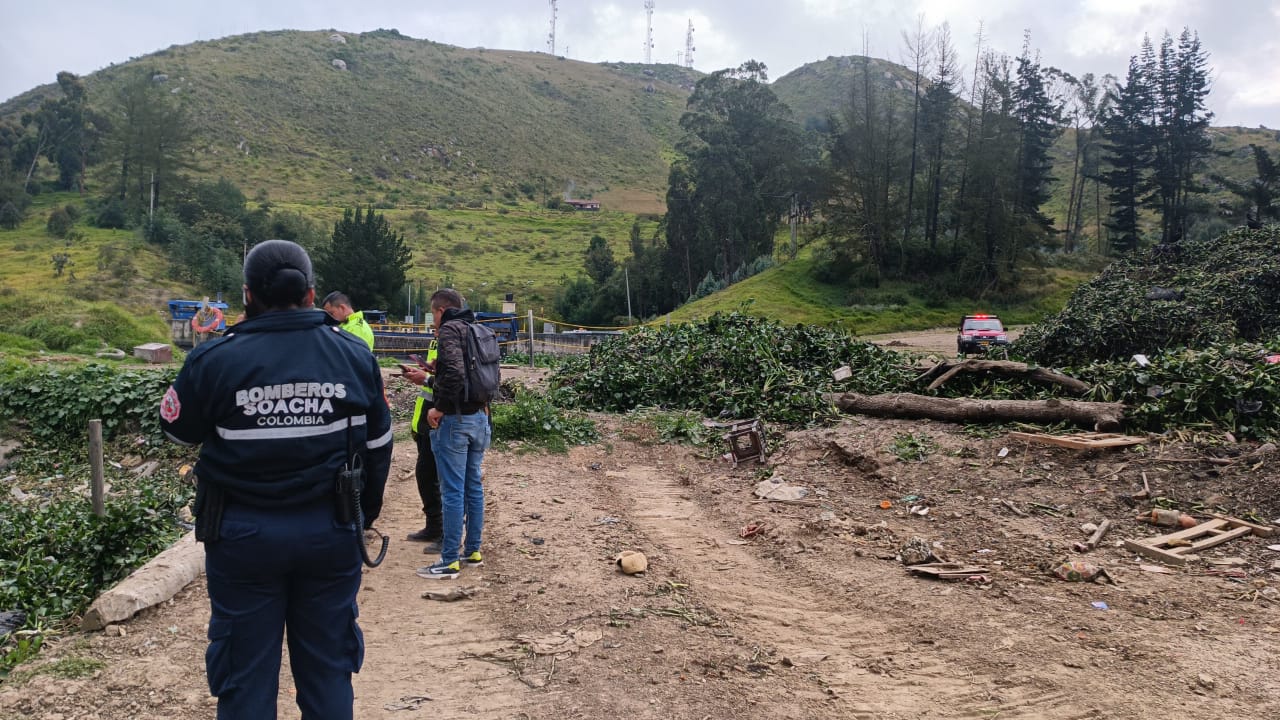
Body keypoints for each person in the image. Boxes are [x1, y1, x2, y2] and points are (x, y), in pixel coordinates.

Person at [159, 239, 392, 719]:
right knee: (329, 671)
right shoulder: (352, 354)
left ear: (247, 295)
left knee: (244, 678)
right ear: (311, 294)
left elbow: (177, 432)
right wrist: (361, 514)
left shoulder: (215, 360)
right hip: (331, 532)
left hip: (242, 538)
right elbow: (378, 447)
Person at [417, 288, 490, 579]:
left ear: (440, 311)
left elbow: (457, 376)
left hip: (456, 421)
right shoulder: (478, 330)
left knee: (452, 490)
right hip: (480, 419)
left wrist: (439, 407)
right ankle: (472, 550)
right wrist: (437, 372)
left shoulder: (449, 330)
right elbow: (473, 375)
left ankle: (448, 560)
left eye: (433, 315)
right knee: (473, 486)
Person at [402, 339, 443, 550]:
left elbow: (452, 381)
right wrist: (424, 374)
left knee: (436, 478)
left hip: (439, 421)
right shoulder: (437, 340)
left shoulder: (454, 337)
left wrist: (426, 377)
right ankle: (434, 526)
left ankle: (443, 531)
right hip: (426, 420)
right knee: (426, 476)